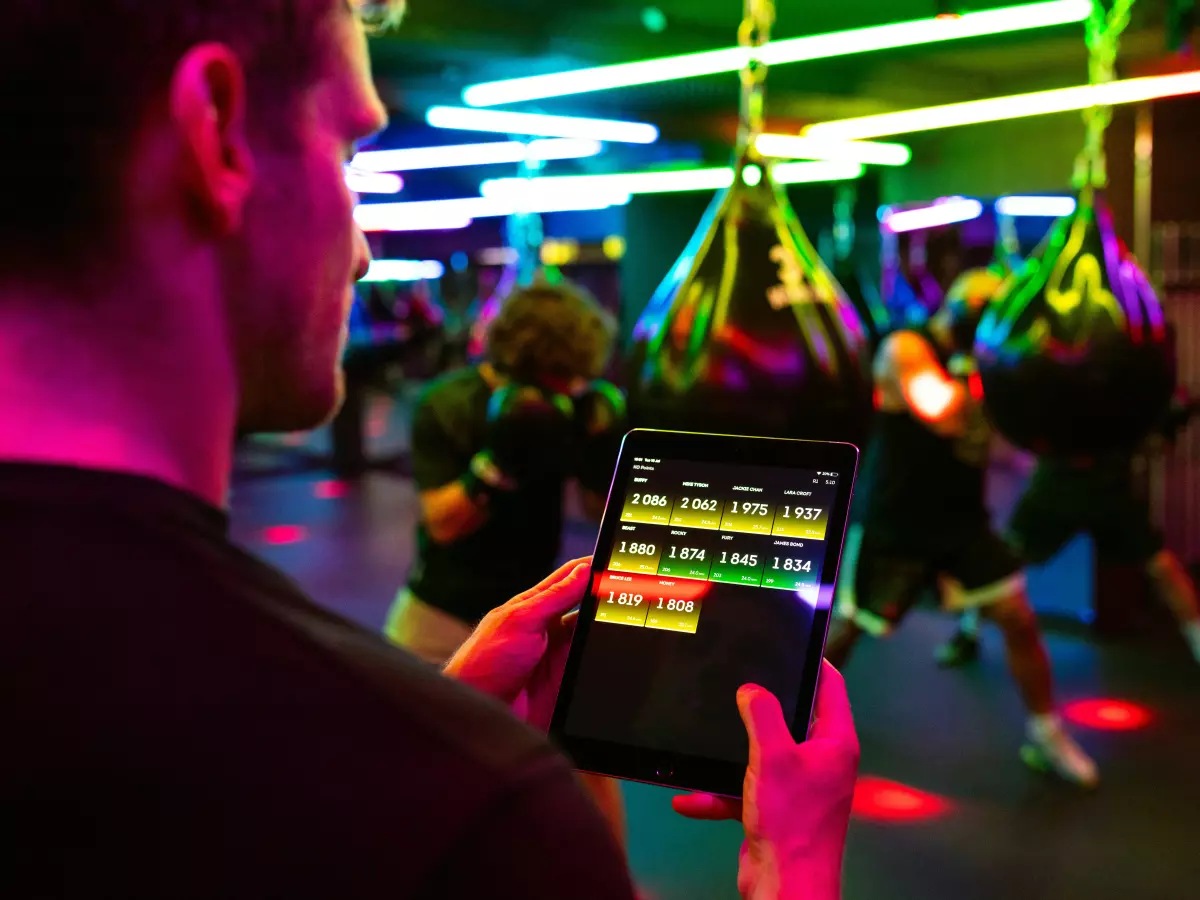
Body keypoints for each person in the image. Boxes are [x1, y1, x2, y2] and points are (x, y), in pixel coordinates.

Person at [0, 2, 861, 898]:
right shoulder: (462, 813)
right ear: (215, 131)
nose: (367, 251)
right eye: (347, 154)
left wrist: (438, 726)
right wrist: (792, 870)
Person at [827, 269, 1100, 787]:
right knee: (849, 629)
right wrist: (1009, 384)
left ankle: (1046, 734)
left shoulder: (989, 364)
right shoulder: (905, 349)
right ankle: (791, 723)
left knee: (1018, 617)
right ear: (964, 308)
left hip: (960, 523)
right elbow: (944, 413)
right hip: (897, 519)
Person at [383, 276, 629, 842]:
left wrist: (598, 463)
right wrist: (500, 463)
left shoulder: (569, 404)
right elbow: (443, 522)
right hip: (442, 615)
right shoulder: (446, 405)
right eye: (560, 375)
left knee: (585, 758)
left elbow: (595, 509)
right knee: (409, 754)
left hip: (533, 612)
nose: (571, 387)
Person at [937, 394, 1200, 669]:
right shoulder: (1057, 378)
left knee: (1161, 566)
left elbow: (1150, 441)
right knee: (1000, 565)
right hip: (1054, 491)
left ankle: (1198, 641)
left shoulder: (1122, 383)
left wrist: (1168, 422)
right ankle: (968, 634)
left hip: (1110, 490)